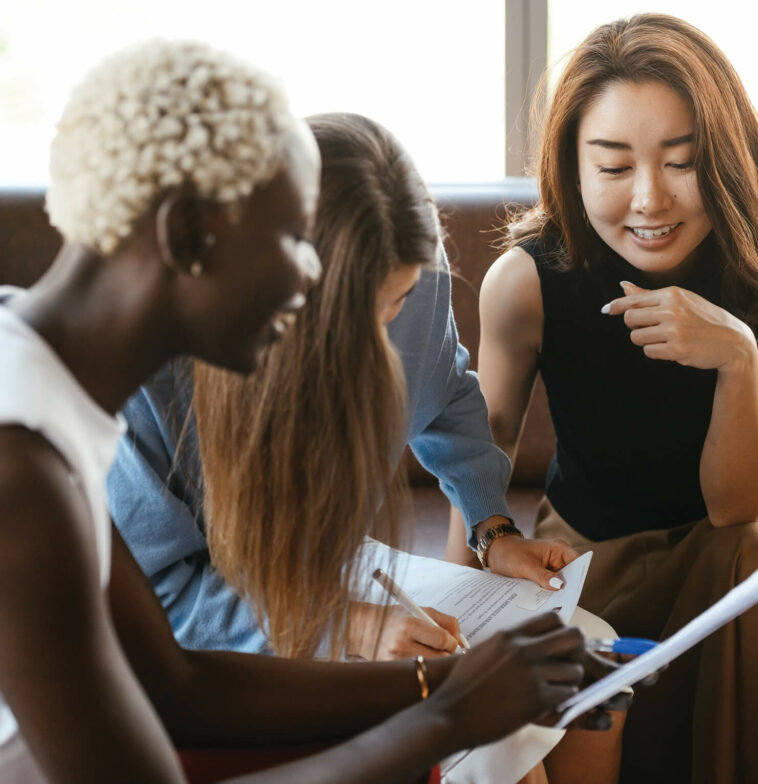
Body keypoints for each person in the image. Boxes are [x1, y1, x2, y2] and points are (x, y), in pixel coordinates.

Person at [0, 39, 599, 784]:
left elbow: (176, 683)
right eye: (290, 240)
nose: (307, 275)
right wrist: (444, 717)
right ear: (187, 236)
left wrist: (444, 685)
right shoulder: (19, 468)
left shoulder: (47, 392)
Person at [444, 13, 758, 784]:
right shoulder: (526, 283)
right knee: (745, 571)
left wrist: (735, 357)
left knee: (748, 558)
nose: (650, 199)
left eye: (681, 161)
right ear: (572, 167)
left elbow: (738, 506)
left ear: (725, 157)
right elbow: (477, 453)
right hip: (602, 536)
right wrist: (454, 608)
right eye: (614, 166)